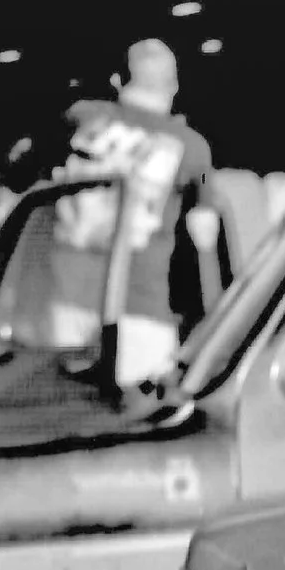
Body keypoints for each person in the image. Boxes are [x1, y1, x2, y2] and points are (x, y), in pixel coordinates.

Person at [52, 38, 214, 390]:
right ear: (174, 85)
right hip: (140, 310)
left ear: (117, 80)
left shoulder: (80, 118)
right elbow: (205, 238)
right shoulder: (192, 148)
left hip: (61, 305)